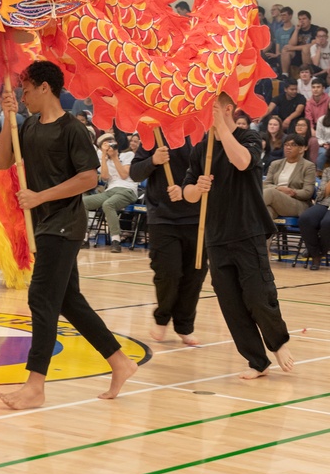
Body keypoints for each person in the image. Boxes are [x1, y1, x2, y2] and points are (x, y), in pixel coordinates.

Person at [0, 61, 138, 409]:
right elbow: (1, 162)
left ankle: (35, 386)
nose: (22, 95)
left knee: (41, 298)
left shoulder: (72, 129)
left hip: (64, 223)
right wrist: (8, 120)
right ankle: (120, 361)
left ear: (45, 88)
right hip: (44, 223)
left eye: (26, 89)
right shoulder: (26, 126)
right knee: (68, 300)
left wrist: (40, 197)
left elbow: (89, 179)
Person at [183, 92, 294, 379]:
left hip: (248, 231)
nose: (208, 113)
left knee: (258, 295)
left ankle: (278, 342)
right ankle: (257, 361)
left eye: (214, 108)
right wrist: (199, 187)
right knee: (230, 304)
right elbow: (188, 194)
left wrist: (221, 126)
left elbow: (242, 162)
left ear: (228, 109)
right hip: (216, 236)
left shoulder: (249, 138)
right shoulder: (200, 149)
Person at [131, 136, 206, 345]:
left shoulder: (204, 135)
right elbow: (135, 173)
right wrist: (153, 160)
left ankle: (184, 325)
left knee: (195, 274)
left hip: (198, 217)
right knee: (168, 272)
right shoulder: (154, 134)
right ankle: (162, 317)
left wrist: (193, 189)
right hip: (163, 216)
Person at [83, 133, 139, 253]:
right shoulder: (104, 160)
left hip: (127, 190)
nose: (109, 145)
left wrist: (114, 157)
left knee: (108, 204)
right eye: (105, 143)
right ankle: (84, 237)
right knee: (82, 202)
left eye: (111, 142)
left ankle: (116, 240)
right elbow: (104, 177)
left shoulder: (127, 155)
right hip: (110, 190)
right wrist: (104, 156)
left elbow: (124, 175)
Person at [262, 134, 316, 219]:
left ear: (301, 149)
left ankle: (242, 209)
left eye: (293, 145)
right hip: (276, 201)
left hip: (297, 203)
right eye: (286, 144)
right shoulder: (275, 164)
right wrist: (278, 188)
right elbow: (265, 184)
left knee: (271, 193)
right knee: (265, 213)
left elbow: (307, 192)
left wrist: (291, 192)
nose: (288, 147)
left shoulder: (308, 166)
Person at [298, 166, 330, 271]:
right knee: (306, 218)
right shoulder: (327, 171)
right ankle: (316, 252)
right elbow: (320, 195)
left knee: (327, 223)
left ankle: (316, 254)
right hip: (325, 203)